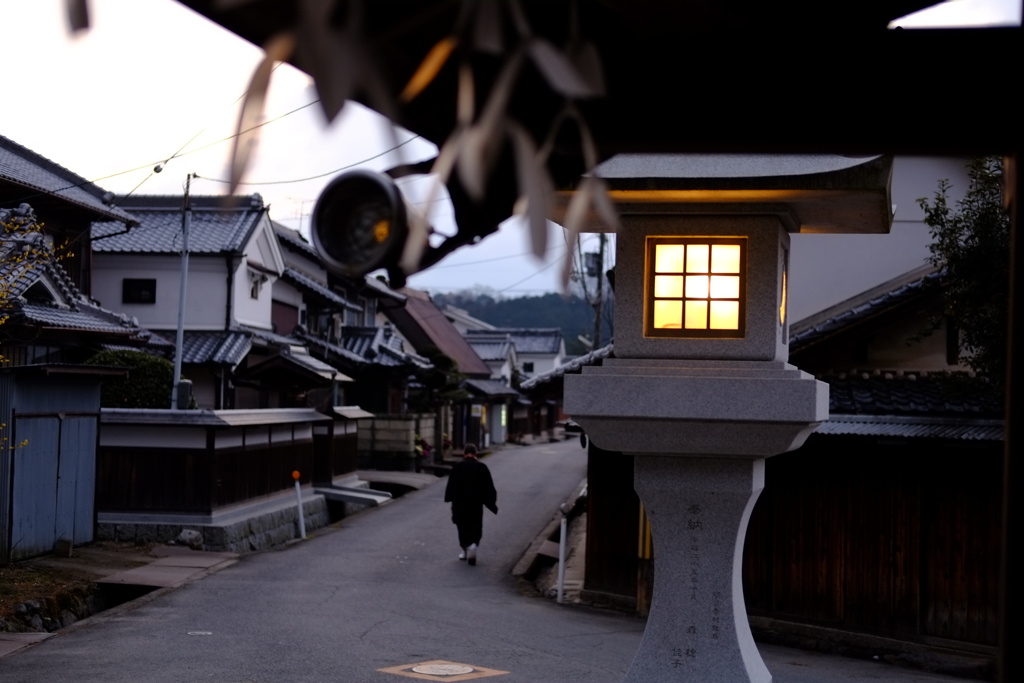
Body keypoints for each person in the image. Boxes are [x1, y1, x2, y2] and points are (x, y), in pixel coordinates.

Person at [444, 443, 497, 566]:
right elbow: (489, 487)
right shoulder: (482, 467)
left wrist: (450, 499)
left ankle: (464, 549)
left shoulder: (457, 467)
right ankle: (473, 544)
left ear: (464, 453)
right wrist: (490, 502)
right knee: (475, 524)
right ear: (476, 454)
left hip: (459, 503)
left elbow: (451, 486)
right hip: (476, 503)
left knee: (462, 525)